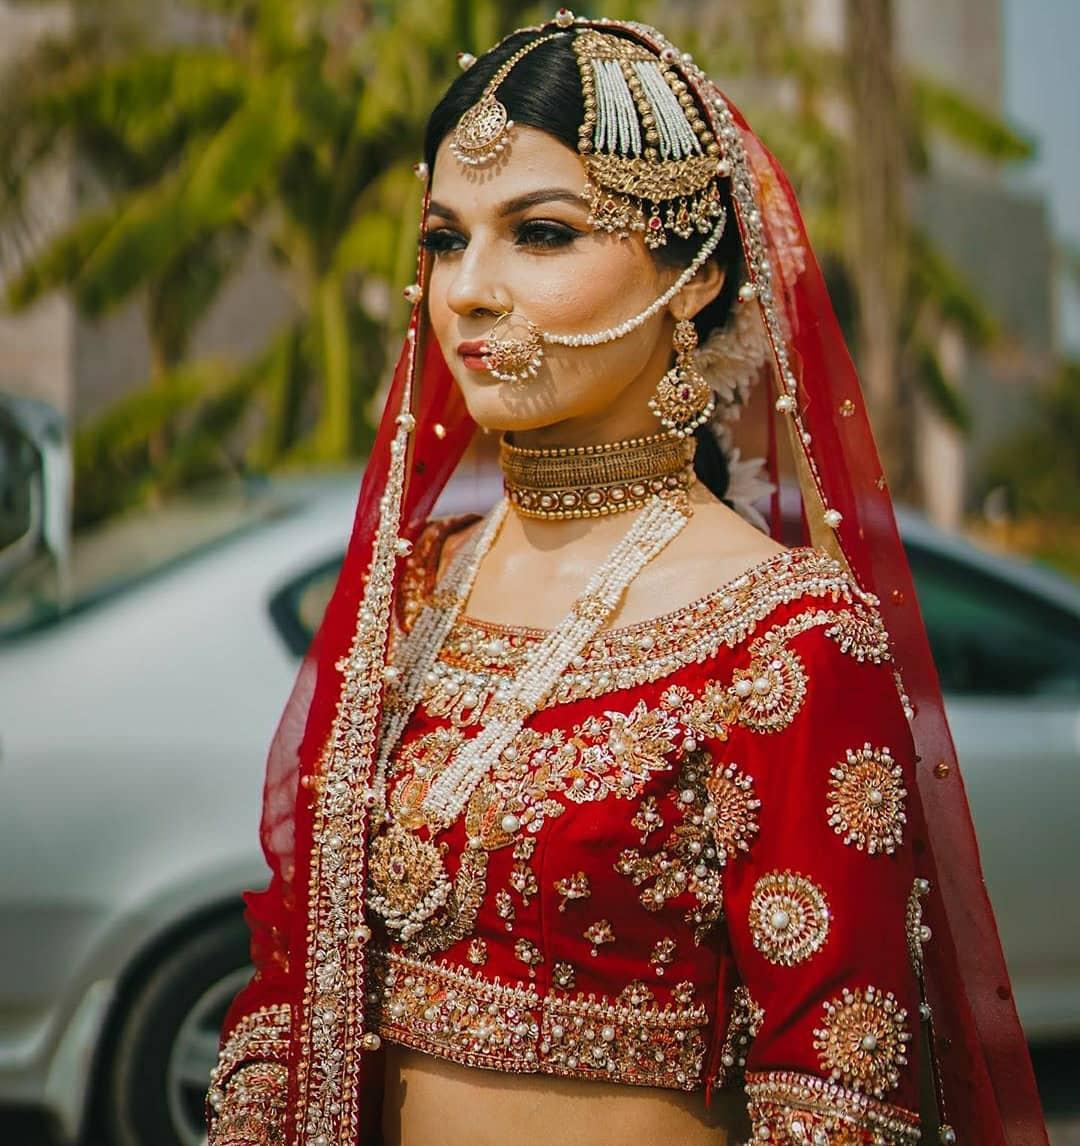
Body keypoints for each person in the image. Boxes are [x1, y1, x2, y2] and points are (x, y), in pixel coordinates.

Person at [205, 13, 1048, 1146]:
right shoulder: (412, 591)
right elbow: (289, 975)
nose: (469, 292)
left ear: (692, 279)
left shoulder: (786, 640)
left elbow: (843, 1093)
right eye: (447, 240)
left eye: (541, 233)